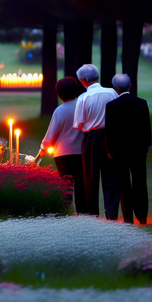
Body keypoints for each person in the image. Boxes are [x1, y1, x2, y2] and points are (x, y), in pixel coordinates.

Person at [71, 63, 121, 220]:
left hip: (91, 138)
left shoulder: (84, 98)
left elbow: (78, 123)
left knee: (90, 178)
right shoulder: (112, 92)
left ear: (84, 80)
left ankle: (92, 214)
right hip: (110, 137)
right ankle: (111, 213)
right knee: (111, 175)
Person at [104, 74, 152, 224]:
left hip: (119, 151)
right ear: (130, 86)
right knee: (139, 181)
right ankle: (142, 215)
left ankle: (128, 217)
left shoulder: (111, 106)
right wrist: (147, 144)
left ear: (115, 88)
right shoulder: (141, 103)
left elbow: (109, 130)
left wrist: (109, 149)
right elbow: (146, 126)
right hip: (138, 149)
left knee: (123, 182)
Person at [34, 76, 86, 213]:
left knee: (66, 184)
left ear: (59, 93)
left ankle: (66, 212)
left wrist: (43, 149)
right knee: (82, 185)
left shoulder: (60, 111)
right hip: (82, 151)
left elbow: (51, 134)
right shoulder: (83, 106)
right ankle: (84, 215)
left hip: (63, 154)